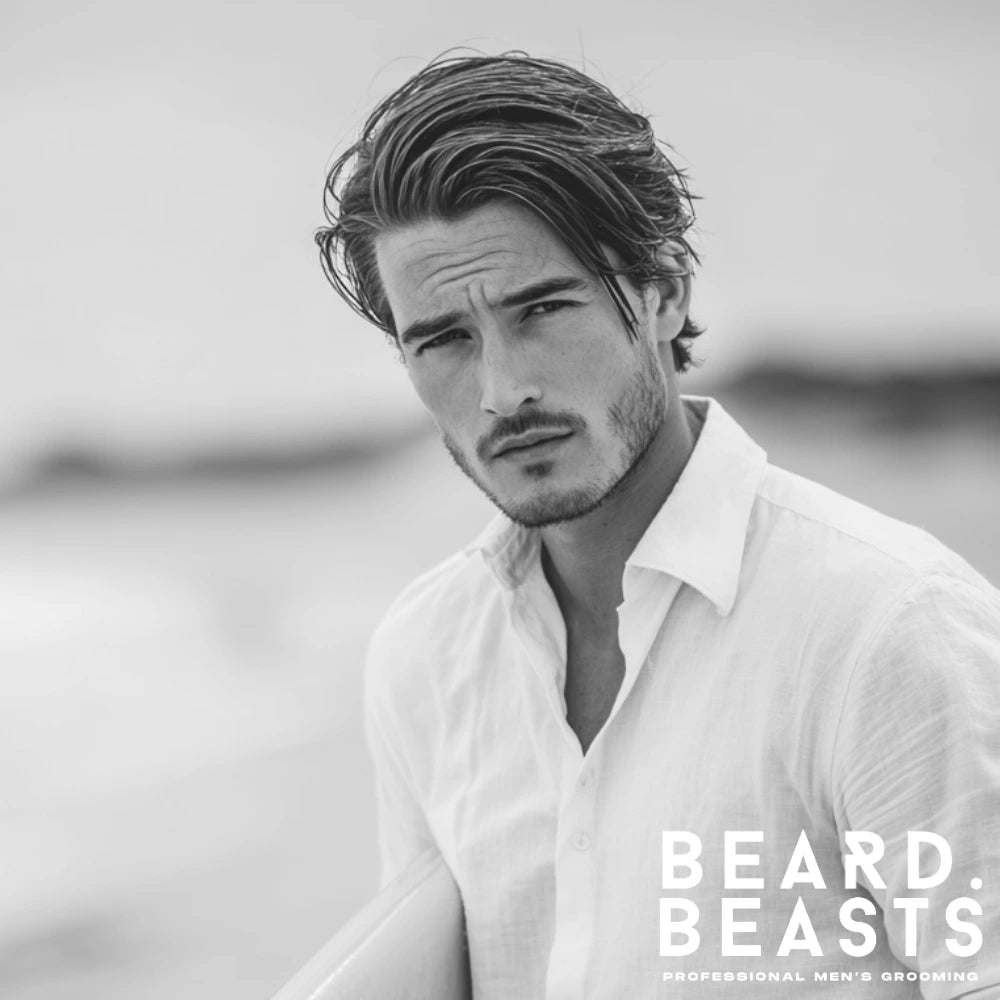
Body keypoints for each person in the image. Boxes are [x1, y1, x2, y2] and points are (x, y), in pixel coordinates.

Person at [315, 52, 1000, 997]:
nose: (503, 389)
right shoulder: (426, 657)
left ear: (664, 293)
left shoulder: (885, 628)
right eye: (444, 339)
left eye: (543, 309)